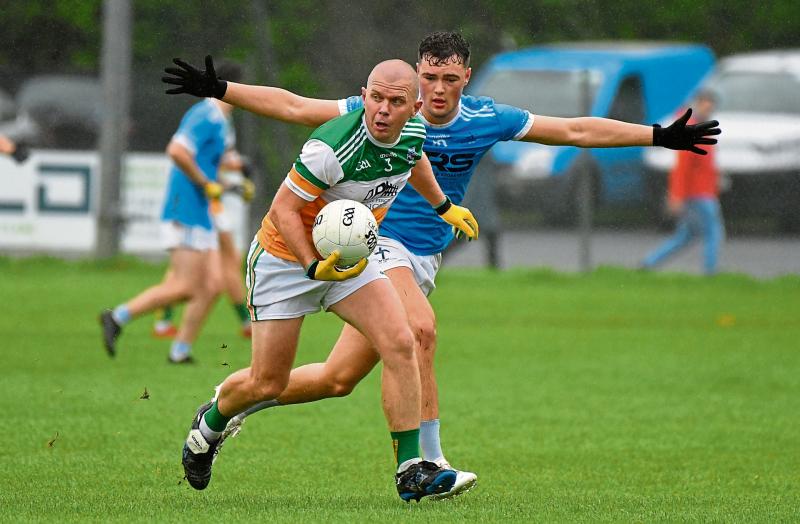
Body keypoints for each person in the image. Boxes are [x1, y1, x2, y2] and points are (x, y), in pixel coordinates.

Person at [164, 32, 721, 498]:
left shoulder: (468, 120)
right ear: (410, 78)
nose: (433, 90)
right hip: (368, 246)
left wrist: (658, 134)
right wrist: (222, 90)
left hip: (412, 256)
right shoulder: (368, 114)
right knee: (417, 332)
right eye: (427, 78)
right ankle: (423, 467)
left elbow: (574, 130)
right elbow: (292, 106)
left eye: (446, 80)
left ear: (465, 80)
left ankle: (221, 410)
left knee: (332, 381)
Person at [176, 59, 480, 502]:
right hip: (284, 262)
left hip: (352, 259)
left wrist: (442, 206)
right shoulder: (332, 147)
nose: (382, 110)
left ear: (413, 108)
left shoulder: (413, 133)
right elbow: (281, 210)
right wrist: (310, 265)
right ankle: (211, 422)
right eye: (375, 98)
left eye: (396, 102)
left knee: (400, 341)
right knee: (268, 383)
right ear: (364, 94)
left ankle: (412, 471)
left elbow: (414, 160)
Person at [100, 61, 246, 363]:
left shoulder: (220, 120)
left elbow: (212, 162)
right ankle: (117, 316)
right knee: (185, 287)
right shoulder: (205, 114)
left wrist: (233, 182)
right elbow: (177, 151)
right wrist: (207, 183)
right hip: (185, 208)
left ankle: (180, 350)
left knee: (212, 286)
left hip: (201, 210)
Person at [152, 159, 256, 340]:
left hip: (207, 207)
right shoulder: (207, 135)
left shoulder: (203, 139)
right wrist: (239, 169)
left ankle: (163, 323)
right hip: (203, 209)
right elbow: (209, 163)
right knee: (221, 265)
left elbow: (211, 165)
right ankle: (246, 322)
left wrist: (232, 183)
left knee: (190, 269)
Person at [641, 90, 723, 275]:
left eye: (710, 104)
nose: (708, 107)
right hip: (697, 193)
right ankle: (711, 274)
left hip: (704, 191)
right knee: (713, 232)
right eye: (704, 102)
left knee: (685, 236)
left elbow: (706, 165)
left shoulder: (702, 129)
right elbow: (682, 168)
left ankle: (648, 264)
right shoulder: (689, 131)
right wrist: (677, 195)